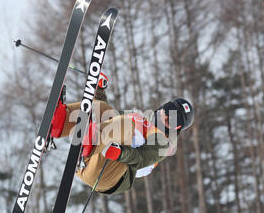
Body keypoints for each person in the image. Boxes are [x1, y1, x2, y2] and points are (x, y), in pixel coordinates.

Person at [49, 78, 194, 195]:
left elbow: (140, 159)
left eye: (175, 121)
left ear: (177, 129)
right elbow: (111, 121)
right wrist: (99, 90)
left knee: (125, 123)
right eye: (169, 110)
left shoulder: (162, 143)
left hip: (108, 177)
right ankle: (58, 123)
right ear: (163, 107)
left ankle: (89, 143)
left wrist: (120, 153)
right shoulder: (143, 122)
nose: (167, 117)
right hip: (93, 159)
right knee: (105, 109)